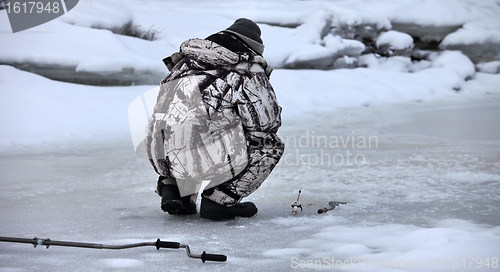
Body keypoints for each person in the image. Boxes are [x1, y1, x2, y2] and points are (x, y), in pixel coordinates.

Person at [146, 18, 284, 220]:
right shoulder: (247, 68)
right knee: (269, 145)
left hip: (158, 152)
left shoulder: (183, 63)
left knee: (186, 129)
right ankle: (220, 200)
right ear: (253, 49)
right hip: (200, 153)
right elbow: (265, 124)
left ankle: (174, 190)